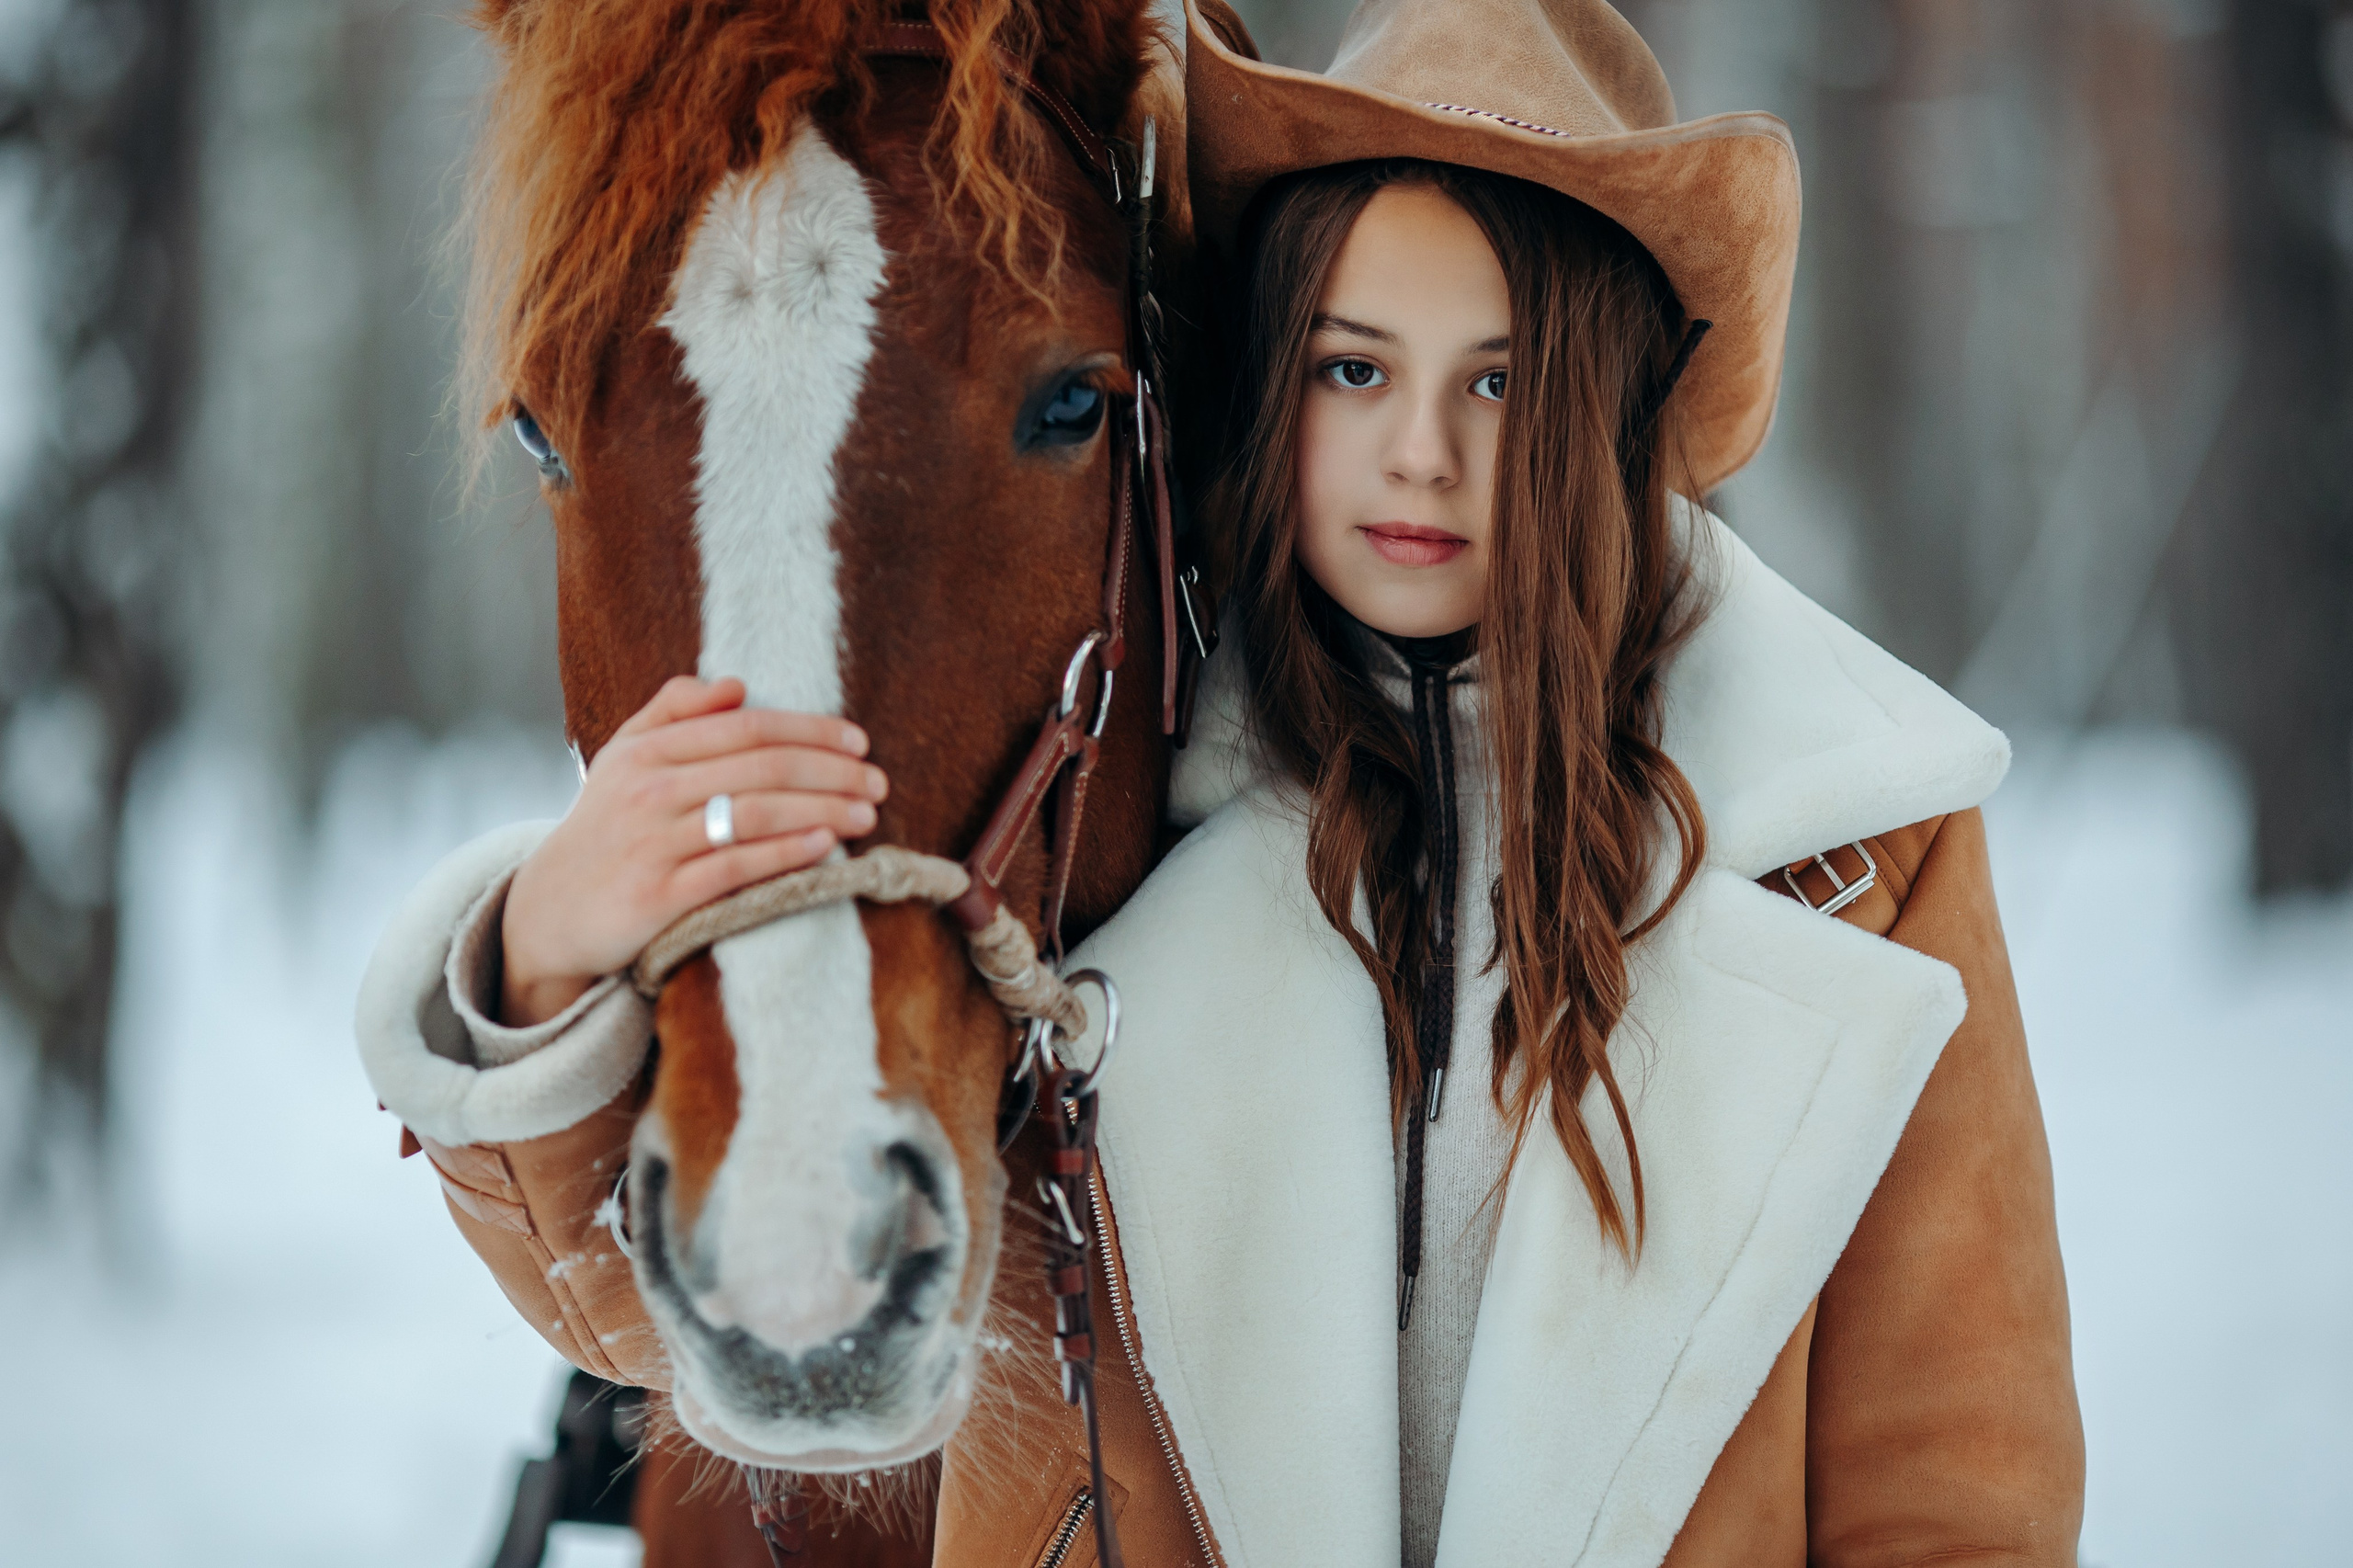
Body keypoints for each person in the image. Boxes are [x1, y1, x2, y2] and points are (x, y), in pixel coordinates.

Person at [363, 1, 2084, 1562]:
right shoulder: (1100, 849)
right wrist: (550, 950)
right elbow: (659, 1304)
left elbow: (1954, 1492)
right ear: (1272, 382)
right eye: (1356, 367)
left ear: (1609, 415)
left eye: (1503, 380)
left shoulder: (1860, 857)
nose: (1423, 448)